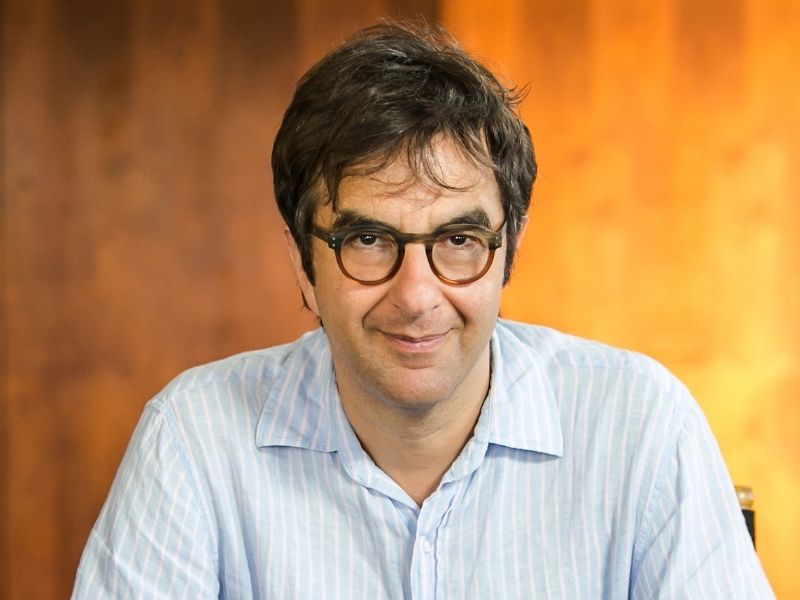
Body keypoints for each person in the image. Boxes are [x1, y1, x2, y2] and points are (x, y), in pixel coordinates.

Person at [72, 21, 774, 599]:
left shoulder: (641, 425)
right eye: (368, 239)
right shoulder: (192, 440)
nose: (415, 296)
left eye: (459, 239)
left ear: (510, 251)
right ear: (302, 262)